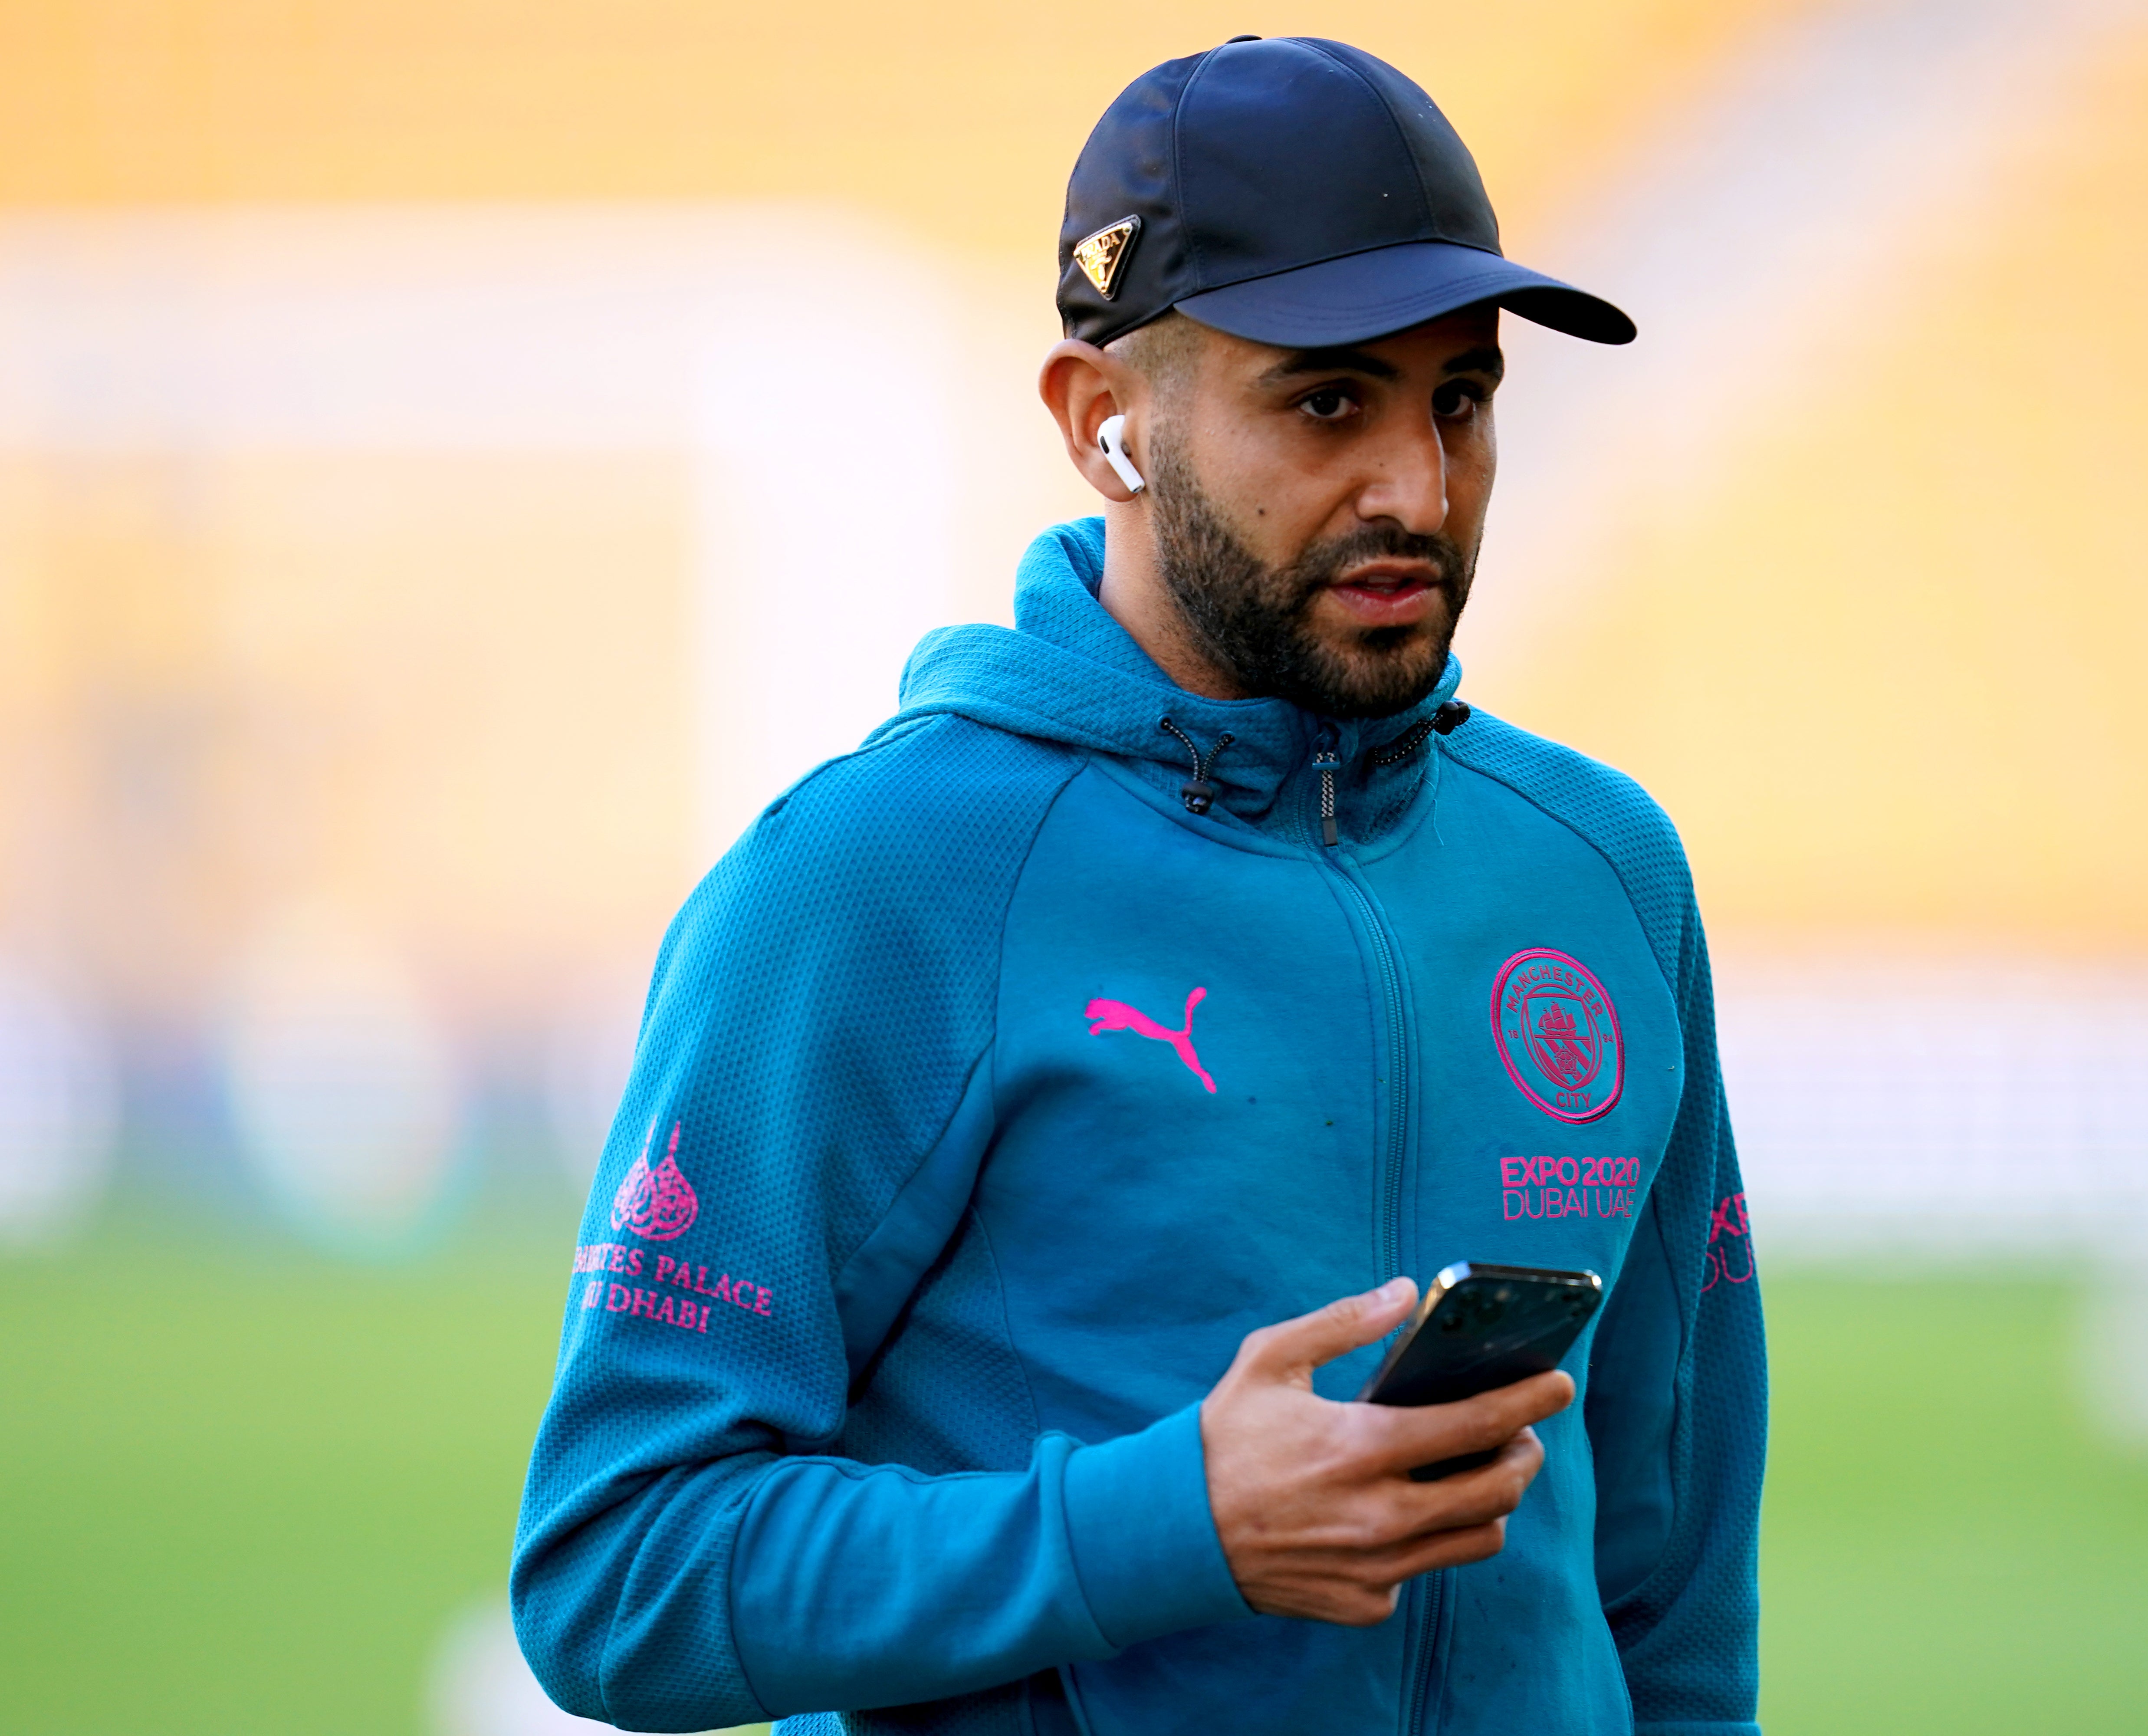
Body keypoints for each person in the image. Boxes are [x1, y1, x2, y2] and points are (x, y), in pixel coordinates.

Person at [512, 34, 1764, 1736]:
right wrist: (1171, 1521)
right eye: (1326, 400)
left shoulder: (1599, 867)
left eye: (1456, 400)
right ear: (1105, 423)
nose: (1416, 488)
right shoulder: (879, 880)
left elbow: (1669, 1601)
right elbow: (617, 1574)